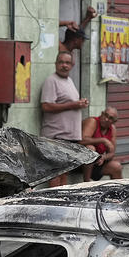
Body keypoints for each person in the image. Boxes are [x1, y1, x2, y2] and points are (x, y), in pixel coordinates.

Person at [38, 50, 88, 186]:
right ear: (55, 64)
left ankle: (62, 200)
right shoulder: (51, 81)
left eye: (67, 63)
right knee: (56, 172)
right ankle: (54, 201)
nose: (64, 65)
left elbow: (68, 103)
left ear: (72, 65)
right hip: (56, 135)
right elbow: (46, 106)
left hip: (69, 136)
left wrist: (79, 104)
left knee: (64, 171)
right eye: (61, 62)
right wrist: (73, 104)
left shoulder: (69, 80)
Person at [81, 105, 123, 182]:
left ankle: (119, 192)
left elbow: (112, 153)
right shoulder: (93, 121)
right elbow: (82, 141)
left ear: (114, 122)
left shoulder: (112, 129)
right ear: (102, 114)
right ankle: (86, 183)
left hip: (96, 163)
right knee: (91, 148)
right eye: (105, 115)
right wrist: (103, 140)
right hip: (80, 162)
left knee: (117, 166)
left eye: (111, 118)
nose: (106, 119)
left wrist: (103, 157)